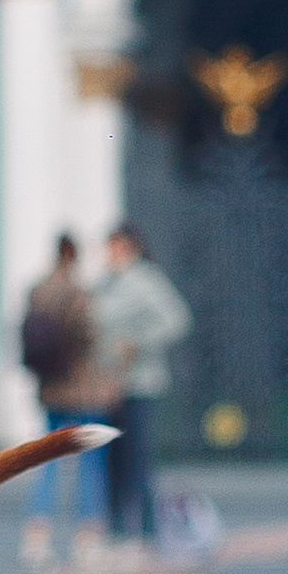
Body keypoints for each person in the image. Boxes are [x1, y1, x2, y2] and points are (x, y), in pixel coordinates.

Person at [88, 222, 192, 548]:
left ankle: (147, 528)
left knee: (137, 457)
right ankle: (116, 527)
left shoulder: (147, 280)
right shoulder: (103, 284)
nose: (111, 253)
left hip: (139, 383)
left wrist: (138, 342)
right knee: (110, 458)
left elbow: (176, 320)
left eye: (117, 245)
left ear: (131, 247)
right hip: (107, 384)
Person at [17, 233, 114, 573]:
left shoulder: (37, 291)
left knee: (46, 463)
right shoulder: (78, 293)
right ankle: (87, 540)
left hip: (50, 389)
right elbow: (90, 336)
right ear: (75, 257)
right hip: (81, 388)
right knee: (89, 464)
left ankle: (36, 538)